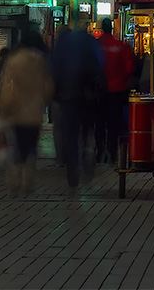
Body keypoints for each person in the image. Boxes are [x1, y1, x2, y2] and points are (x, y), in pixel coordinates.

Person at [0, 32, 53, 196]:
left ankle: (14, 176)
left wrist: (4, 106)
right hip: (34, 111)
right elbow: (47, 86)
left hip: (17, 110)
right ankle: (28, 177)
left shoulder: (14, 60)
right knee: (31, 145)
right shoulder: (40, 61)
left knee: (18, 143)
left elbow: (7, 86)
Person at [51, 25, 105, 189]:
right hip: (87, 98)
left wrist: (56, 95)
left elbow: (54, 72)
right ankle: (87, 156)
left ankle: (73, 171)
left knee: (71, 136)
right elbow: (98, 70)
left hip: (67, 99)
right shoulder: (89, 47)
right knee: (87, 132)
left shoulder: (62, 48)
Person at [96, 18, 136, 165]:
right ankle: (112, 154)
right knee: (114, 125)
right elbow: (130, 68)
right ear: (111, 28)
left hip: (98, 92)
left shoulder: (96, 46)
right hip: (117, 91)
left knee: (99, 124)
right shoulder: (120, 47)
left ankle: (99, 152)